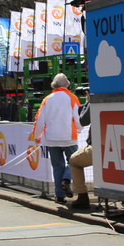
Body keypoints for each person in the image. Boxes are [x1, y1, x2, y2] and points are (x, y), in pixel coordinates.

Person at [32, 73, 81, 206]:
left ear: (54, 85)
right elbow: (78, 119)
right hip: (69, 137)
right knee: (74, 162)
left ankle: (59, 195)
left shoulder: (47, 99)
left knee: (57, 166)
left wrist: (37, 136)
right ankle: (66, 179)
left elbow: (39, 119)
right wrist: (80, 128)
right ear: (67, 85)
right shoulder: (72, 98)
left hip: (51, 138)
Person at [68, 94, 93, 210]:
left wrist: (88, 101)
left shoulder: (96, 98)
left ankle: (82, 197)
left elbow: (83, 120)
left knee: (73, 161)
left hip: (98, 147)